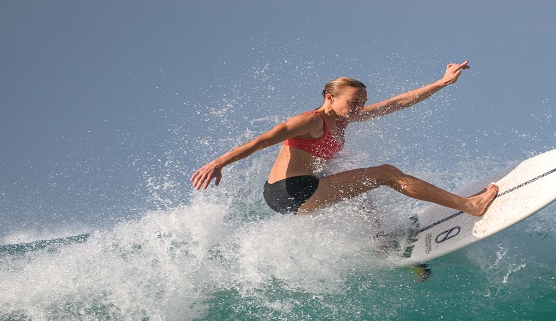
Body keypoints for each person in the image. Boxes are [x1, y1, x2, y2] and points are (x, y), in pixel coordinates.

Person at [190, 61, 498, 217]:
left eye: (362, 102)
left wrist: (442, 82)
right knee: (386, 173)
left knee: (362, 184)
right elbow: (261, 142)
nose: (359, 108)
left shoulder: (346, 117)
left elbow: (397, 103)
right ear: (330, 98)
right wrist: (218, 163)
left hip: (290, 194)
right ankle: (468, 205)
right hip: (290, 190)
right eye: (353, 102)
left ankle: (378, 244)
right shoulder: (310, 121)